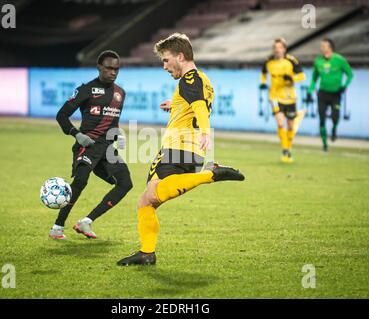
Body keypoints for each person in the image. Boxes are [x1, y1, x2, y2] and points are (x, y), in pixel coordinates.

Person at [117, 33, 245, 266]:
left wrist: (206, 131)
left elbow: (200, 109)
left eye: (166, 60)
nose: (164, 66)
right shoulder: (202, 79)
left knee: (152, 195)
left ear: (180, 56)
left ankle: (211, 174)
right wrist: (175, 105)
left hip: (179, 147)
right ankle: (146, 253)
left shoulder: (188, 80)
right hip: (188, 149)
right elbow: (194, 104)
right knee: (146, 201)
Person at [49, 50, 133, 240]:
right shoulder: (86, 89)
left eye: (116, 69)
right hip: (87, 145)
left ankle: (87, 221)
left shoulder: (120, 93)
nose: (113, 72)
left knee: (125, 184)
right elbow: (61, 115)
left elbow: (113, 120)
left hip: (107, 149)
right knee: (80, 182)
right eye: (109, 68)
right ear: (99, 67)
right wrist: (76, 135)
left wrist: (117, 134)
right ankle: (57, 227)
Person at [260, 38, 306, 163]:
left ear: (284, 49)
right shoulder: (268, 61)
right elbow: (263, 73)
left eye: (280, 47)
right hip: (274, 96)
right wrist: (263, 83)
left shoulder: (291, 61)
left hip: (290, 97)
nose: (277, 50)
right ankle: (285, 150)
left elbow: (302, 76)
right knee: (280, 123)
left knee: (290, 126)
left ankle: (288, 149)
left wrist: (291, 78)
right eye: (275, 47)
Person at [306, 38, 353, 152]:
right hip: (322, 94)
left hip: (335, 94)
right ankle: (325, 144)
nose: (321, 48)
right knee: (321, 118)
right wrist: (310, 91)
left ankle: (334, 128)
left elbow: (350, 74)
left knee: (335, 116)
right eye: (321, 46)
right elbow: (314, 79)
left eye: (324, 46)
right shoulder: (318, 61)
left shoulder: (339, 60)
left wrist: (344, 86)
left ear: (330, 47)